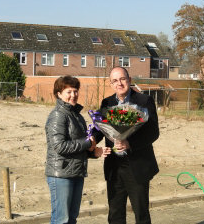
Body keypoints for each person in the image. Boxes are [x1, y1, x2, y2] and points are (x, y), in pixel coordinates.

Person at [93, 67, 159, 224]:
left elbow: (153, 132)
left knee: (141, 214)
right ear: (111, 84)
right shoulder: (106, 102)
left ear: (129, 80)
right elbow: (100, 129)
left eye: (122, 79)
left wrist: (130, 143)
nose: (119, 83)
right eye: (115, 81)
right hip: (114, 167)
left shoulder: (144, 101)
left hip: (136, 165)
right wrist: (92, 142)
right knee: (115, 214)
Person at [45, 75, 110, 224]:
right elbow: (59, 146)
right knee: (61, 220)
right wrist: (88, 143)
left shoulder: (77, 116)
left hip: (76, 172)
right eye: (68, 92)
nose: (73, 95)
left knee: (72, 218)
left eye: (75, 91)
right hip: (61, 174)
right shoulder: (58, 116)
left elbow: (79, 145)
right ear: (59, 94)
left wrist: (94, 152)